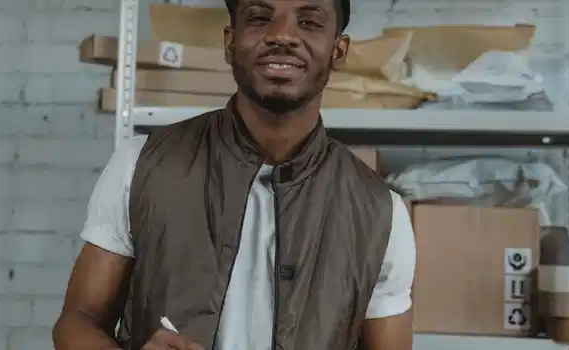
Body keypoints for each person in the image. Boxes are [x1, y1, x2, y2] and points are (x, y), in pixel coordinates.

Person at [52, 0, 416, 349]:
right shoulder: (142, 164)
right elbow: (77, 321)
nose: (282, 35)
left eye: (308, 21)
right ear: (230, 41)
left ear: (338, 50)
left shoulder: (381, 213)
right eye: (259, 17)